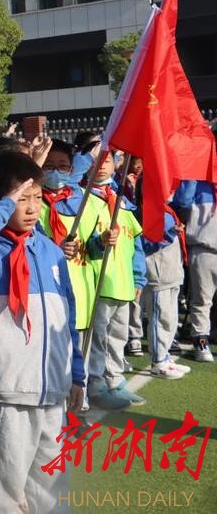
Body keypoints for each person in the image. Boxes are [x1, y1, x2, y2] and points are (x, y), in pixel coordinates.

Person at [0, 151, 85, 512]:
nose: (30, 208)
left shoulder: (51, 253)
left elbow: (65, 318)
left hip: (52, 392)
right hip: (6, 392)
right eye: (20, 199)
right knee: (3, 496)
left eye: (36, 198)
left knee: (53, 491)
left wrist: (76, 372)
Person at [85, 154, 146, 408]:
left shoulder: (122, 200)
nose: (101, 166)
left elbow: (136, 243)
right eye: (95, 161)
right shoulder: (84, 200)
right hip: (100, 282)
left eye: (107, 161)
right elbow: (84, 243)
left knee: (117, 336)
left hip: (122, 282)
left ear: (115, 165)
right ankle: (96, 383)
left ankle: (115, 379)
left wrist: (139, 277)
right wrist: (99, 243)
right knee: (98, 338)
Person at [38, 140, 102, 330]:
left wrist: (103, 243)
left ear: (71, 169)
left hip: (82, 291)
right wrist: (55, 250)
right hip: (46, 292)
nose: (56, 172)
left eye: (62, 166)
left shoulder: (85, 201)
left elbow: (92, 249)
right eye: (49, 166)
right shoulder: (31, 203)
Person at [140, 202, 193, 380]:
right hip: (158, 273)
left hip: (171, 272)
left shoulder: (168, 210)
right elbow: (144, 243)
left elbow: (184, 198)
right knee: (160, 318)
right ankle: (158, 361)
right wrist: (169, 234)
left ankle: (165, 356)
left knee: (170, 319)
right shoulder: (148, 210)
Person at [173, 176, 217, 362]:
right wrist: (193, 174)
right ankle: (201, 341)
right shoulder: (198, 183)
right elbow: (181, 201)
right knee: (202, 299)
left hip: (204, 248)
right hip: (204, 247)